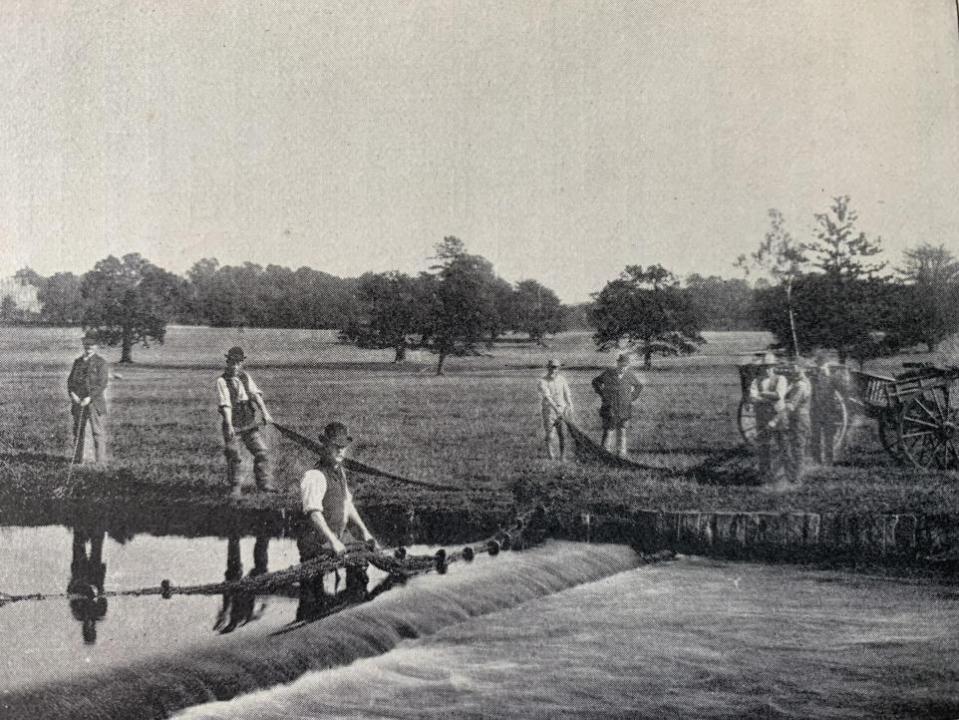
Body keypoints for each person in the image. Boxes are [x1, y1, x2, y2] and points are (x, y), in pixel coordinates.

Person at [297, 421, 378, 619]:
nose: (341, 451)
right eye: (336, 446)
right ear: (325, 446)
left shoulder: (339, 471)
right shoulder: (314, 476)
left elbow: (347, 504)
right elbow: (314, 513)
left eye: (344, 447)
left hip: (339, 536)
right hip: (318, 542)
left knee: (360, 561)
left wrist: (365, 532)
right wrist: (333, 542)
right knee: (319, 593)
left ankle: (354, 603)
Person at [216, 346, 275, 497]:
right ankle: (235, 487)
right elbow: (226, 405)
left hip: (249, 423)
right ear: (227, 362)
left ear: (242, 363)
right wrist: (229, 426)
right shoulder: (222, 381)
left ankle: (265, 485)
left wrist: (265, 413)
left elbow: (256, 396)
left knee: (262, 452)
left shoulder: (245, 377)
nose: (235, 366)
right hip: (233, 425)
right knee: (234, 456)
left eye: (238, 363)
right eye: (232, 363)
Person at [67, 332, 110, 465]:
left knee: (97, 432)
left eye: (92, 344)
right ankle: (77, 460)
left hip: (94, 403)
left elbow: (102, 384)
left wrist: (89, 398)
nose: (89, 347)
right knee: (78, 431)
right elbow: (70, 382)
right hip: (78, 402)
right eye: (86, 344)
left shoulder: (101, 363)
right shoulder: (77, 362)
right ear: (83, 344)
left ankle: (100, 462)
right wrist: (73, 394)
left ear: (96, 346)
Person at [592, 353, 643, 457]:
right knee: (608, 430)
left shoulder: (629, 375)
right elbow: (595, 382)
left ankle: (621, 453)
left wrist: (631, 398)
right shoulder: (608, 373)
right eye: (621, 365)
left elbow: (639, 386)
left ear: (628, 366)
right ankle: (605, 453)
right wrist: (602, 394)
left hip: (624, 408)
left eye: (625, 366)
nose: (623, 368)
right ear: (617, 364)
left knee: (622, 430)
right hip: (609, 407)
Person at [748, 353, 788, 480]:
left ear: (774, 367)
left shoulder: (781, 379)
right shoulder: (756, 380)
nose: (767, 369)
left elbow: (779, 395)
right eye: (765, 366)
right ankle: (765, 473)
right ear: (762, 367)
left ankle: (786, 473)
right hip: (762, 418)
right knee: (763, 445)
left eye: (770, 366)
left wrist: (762, 395)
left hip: (778, 417)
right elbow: (752, 397)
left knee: (783, 445)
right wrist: (768, 397)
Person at [538, 358, 574, 460]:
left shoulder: (562, 380)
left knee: (563, 434)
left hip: (562, 410)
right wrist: (555, 408)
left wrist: (570, 404)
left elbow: (567, 393)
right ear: (548, 368)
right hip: (549, 411)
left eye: (556, 367)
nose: (554, 370)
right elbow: (547, 397)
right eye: (552, 367)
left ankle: (563, 456)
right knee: (550, 435)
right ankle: (550, 455)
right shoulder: (543, 381)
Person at [810, 351, 841, 465]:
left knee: (829, 437)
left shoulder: (832, 377)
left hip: (829, 411)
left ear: (827, 364)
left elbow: (842, 390)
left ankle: (829, 460)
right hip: (815, 411)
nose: (822, 366)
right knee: (816, 437)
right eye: (820, 364)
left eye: (824, 364)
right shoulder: (813, 377)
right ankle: (816, 460)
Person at [784, 363, 813, 483]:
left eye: (795, 367)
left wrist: (776, 406)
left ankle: (797, 478)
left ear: (802, 369)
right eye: (791, 367)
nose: (792, 370)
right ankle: (794, 475)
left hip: (799, 419)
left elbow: (792, 405)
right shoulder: (796, 383)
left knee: (797, 448)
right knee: (796, 447)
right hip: (797, 418)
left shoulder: (801, 385)